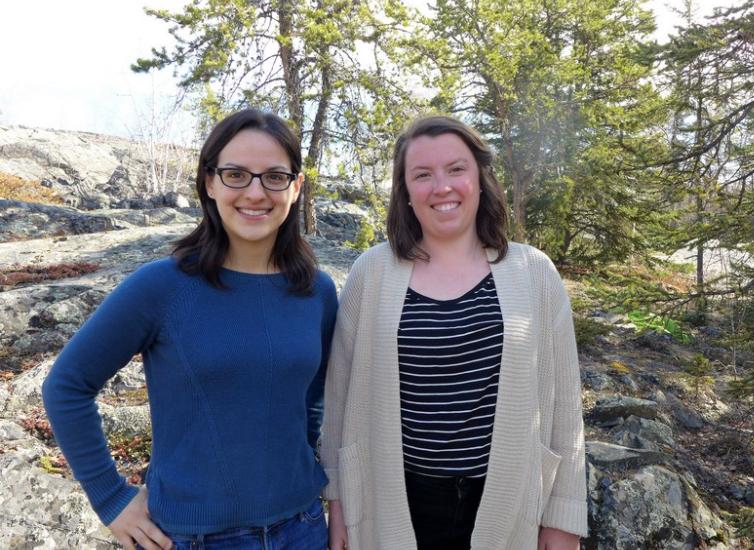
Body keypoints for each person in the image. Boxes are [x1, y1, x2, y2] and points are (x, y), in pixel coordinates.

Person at [42, 109, 337, 550]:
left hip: (303, 527)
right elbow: (66, 386)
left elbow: (312, 398)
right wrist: (110, 497)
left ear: (295, 188)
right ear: (209, 182)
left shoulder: (317, 290)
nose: (255, 192)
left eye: (275, 177)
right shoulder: (162, 286)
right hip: (193, 537)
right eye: (236, 174)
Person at [322, 115, 587, 550]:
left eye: (456, 169)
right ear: (406, 192)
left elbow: (566, 409)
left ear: (480, 180)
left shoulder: (534, 272)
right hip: (393, 502)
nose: (441, 187)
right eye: (422, 174)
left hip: (508, 502)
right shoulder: (370, 273)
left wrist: (564, 519)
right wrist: (337, 503)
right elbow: (338, 400)